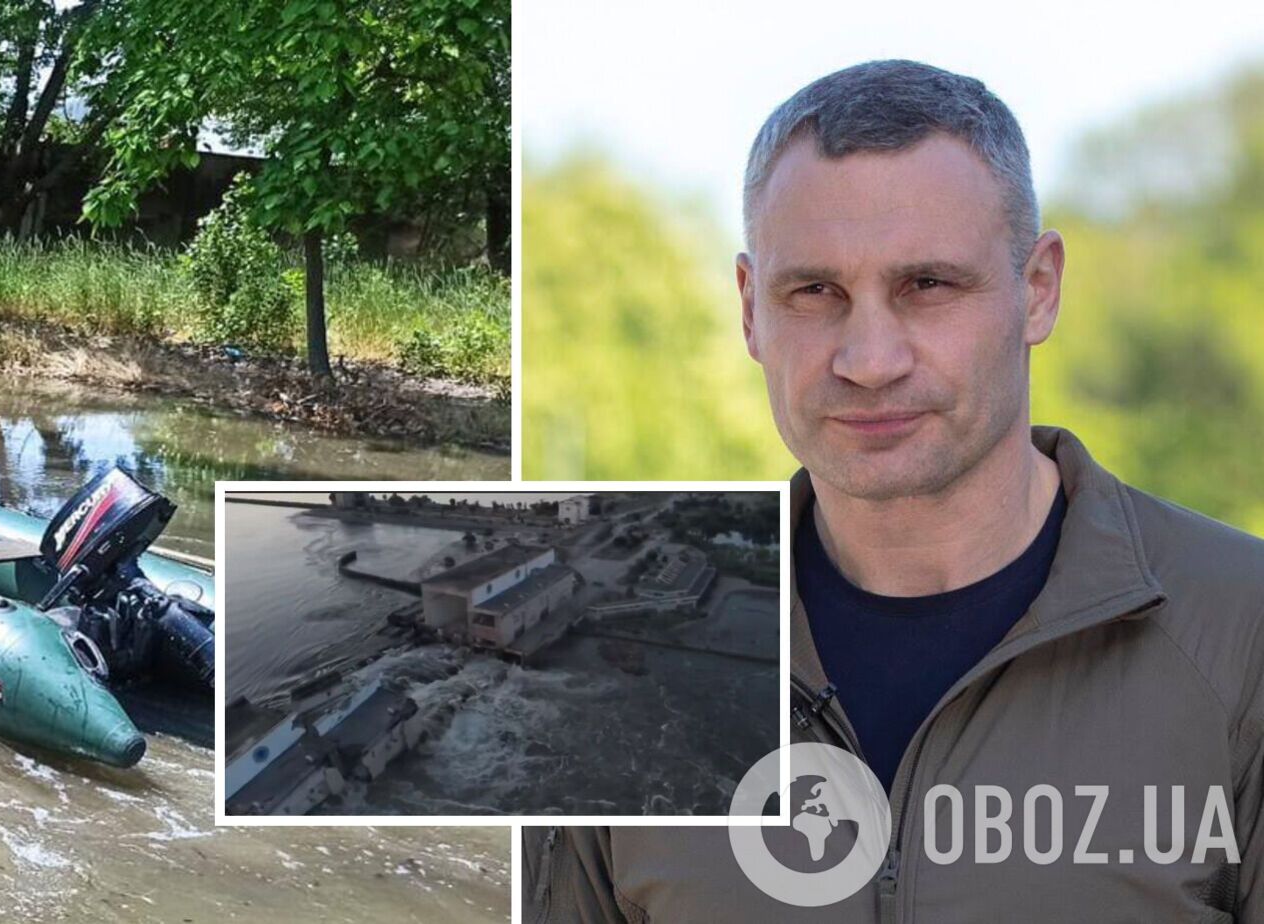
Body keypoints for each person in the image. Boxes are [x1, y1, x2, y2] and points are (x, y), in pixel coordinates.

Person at [526, 60, 1264, 921]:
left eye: (928, 286)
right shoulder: (619, 653)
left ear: (1038, 288)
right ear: (749, 309)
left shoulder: (1241, 633)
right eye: (814, 291)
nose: (869, 360)